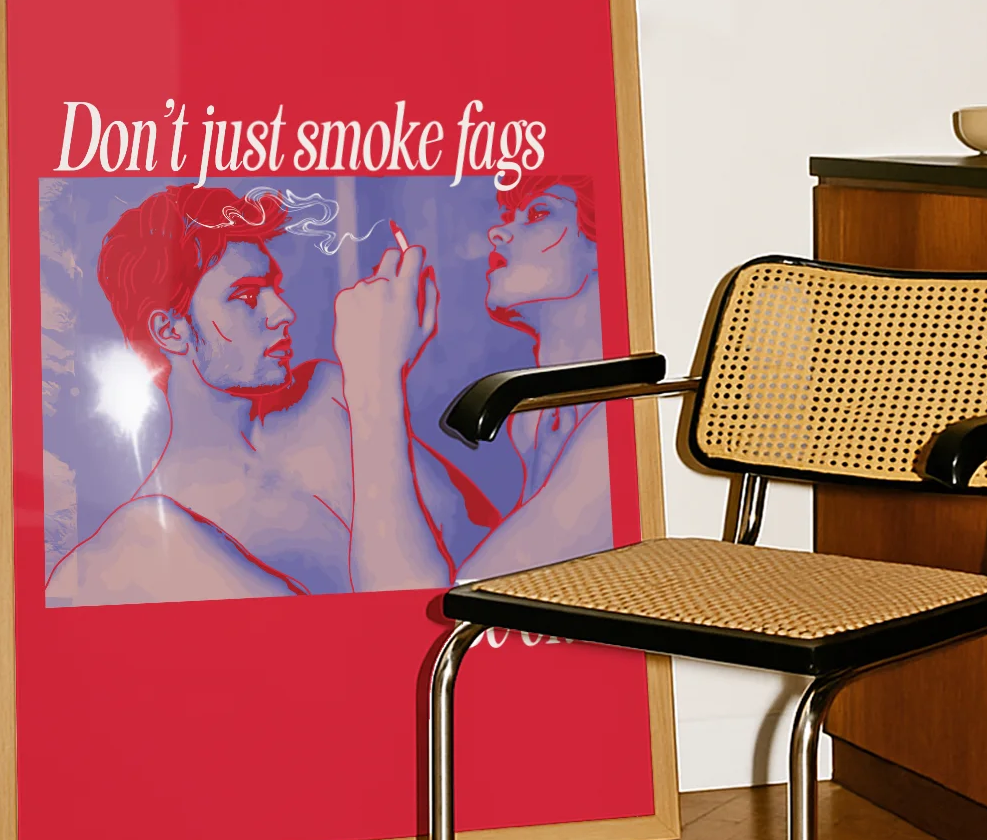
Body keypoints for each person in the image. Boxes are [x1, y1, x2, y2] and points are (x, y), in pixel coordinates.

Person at [46, 186, 494, 605]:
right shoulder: (154, 537)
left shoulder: (330, 392)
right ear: (171, 331)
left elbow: (484, 535)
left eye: (273, 287)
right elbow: (408, 623)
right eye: (246, 297)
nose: (284, 312)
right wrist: (377, 379)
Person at [456, 174, 614, 579]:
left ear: (604, 247)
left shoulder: (616, 423)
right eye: (509, 216)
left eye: (539, 213)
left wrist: (377, 375)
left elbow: (474, 589)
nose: (497, 233)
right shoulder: (532, 419)